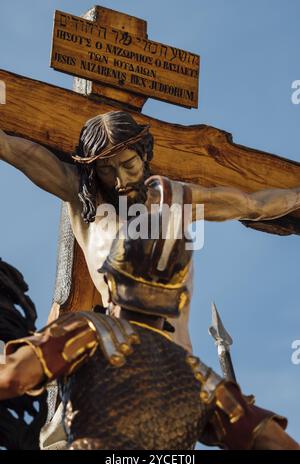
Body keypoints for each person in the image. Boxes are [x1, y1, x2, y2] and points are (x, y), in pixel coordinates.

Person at [1, 111, 300, 353]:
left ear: (144, 153)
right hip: (117, 351)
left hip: (175, 355)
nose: (120, 180)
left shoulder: (176, 199)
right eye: (107, 170)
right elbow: (14, 150)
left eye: (128, 164)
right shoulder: (83, 198)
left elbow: (253, 205)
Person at [0, 208, 298, 450]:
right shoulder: (201, 379)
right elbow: (273, 440)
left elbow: (13, 377)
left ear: (112, 282)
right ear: (179, 300)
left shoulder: (91, 331)